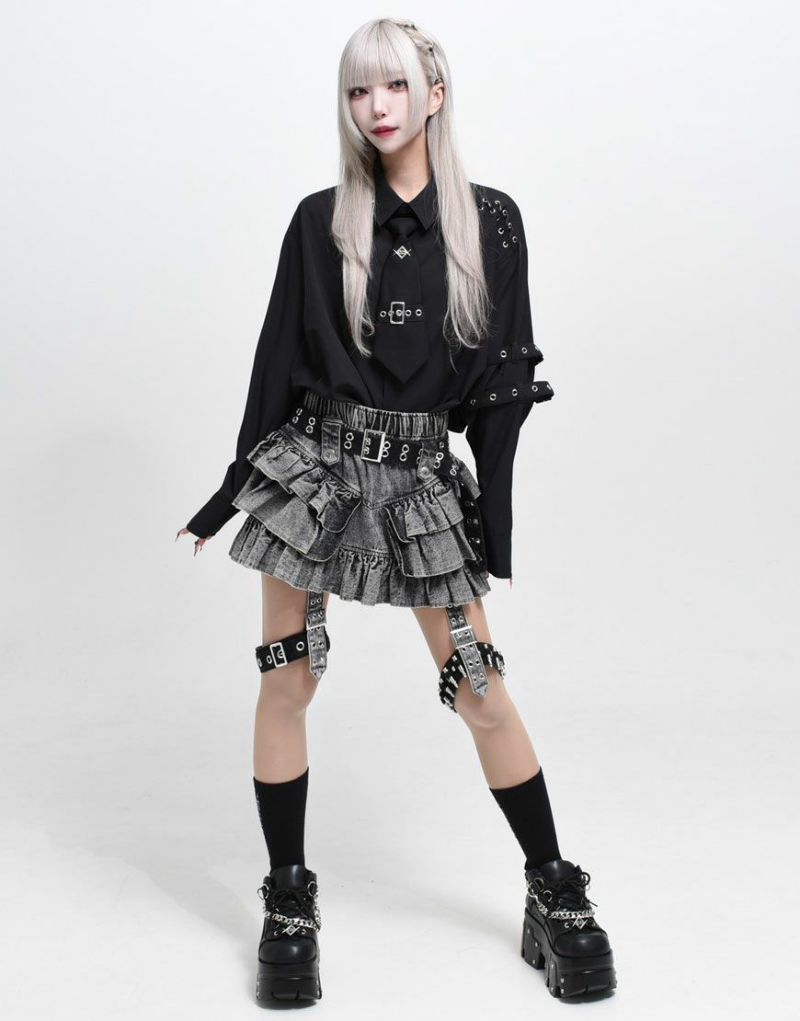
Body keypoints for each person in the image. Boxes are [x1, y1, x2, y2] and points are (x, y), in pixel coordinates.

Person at [176, 17, 616, 1004]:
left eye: (393, 87)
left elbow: (502, 382)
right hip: (315, 471)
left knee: (478, 685)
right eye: (356, 91)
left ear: (434, 95)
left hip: (419, 481)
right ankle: (289, 900)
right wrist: (229, 491)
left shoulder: (490, 221)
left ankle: (552, 888)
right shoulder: (317, 221)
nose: (375, 107)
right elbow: (276, 359)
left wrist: (492, 520)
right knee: (287, 677)